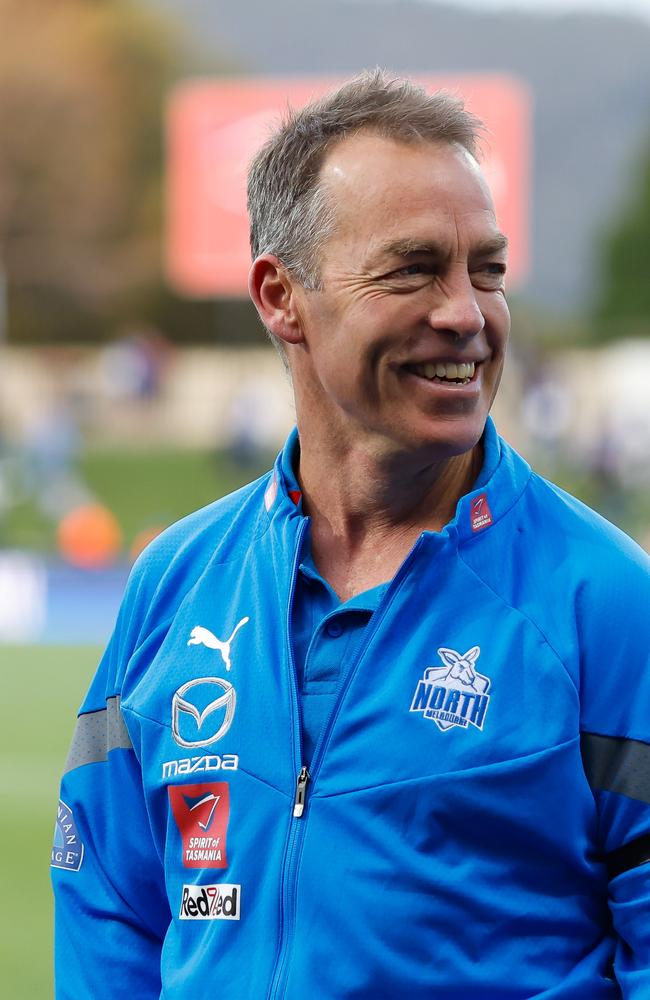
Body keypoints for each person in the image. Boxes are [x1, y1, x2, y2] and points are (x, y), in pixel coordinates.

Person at [51, 70, 650, 998]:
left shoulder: (607, 600)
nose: (466, 314)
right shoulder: (174, 582)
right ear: (281, 297)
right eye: (414, 268)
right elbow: (107, 906)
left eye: (485, 270)